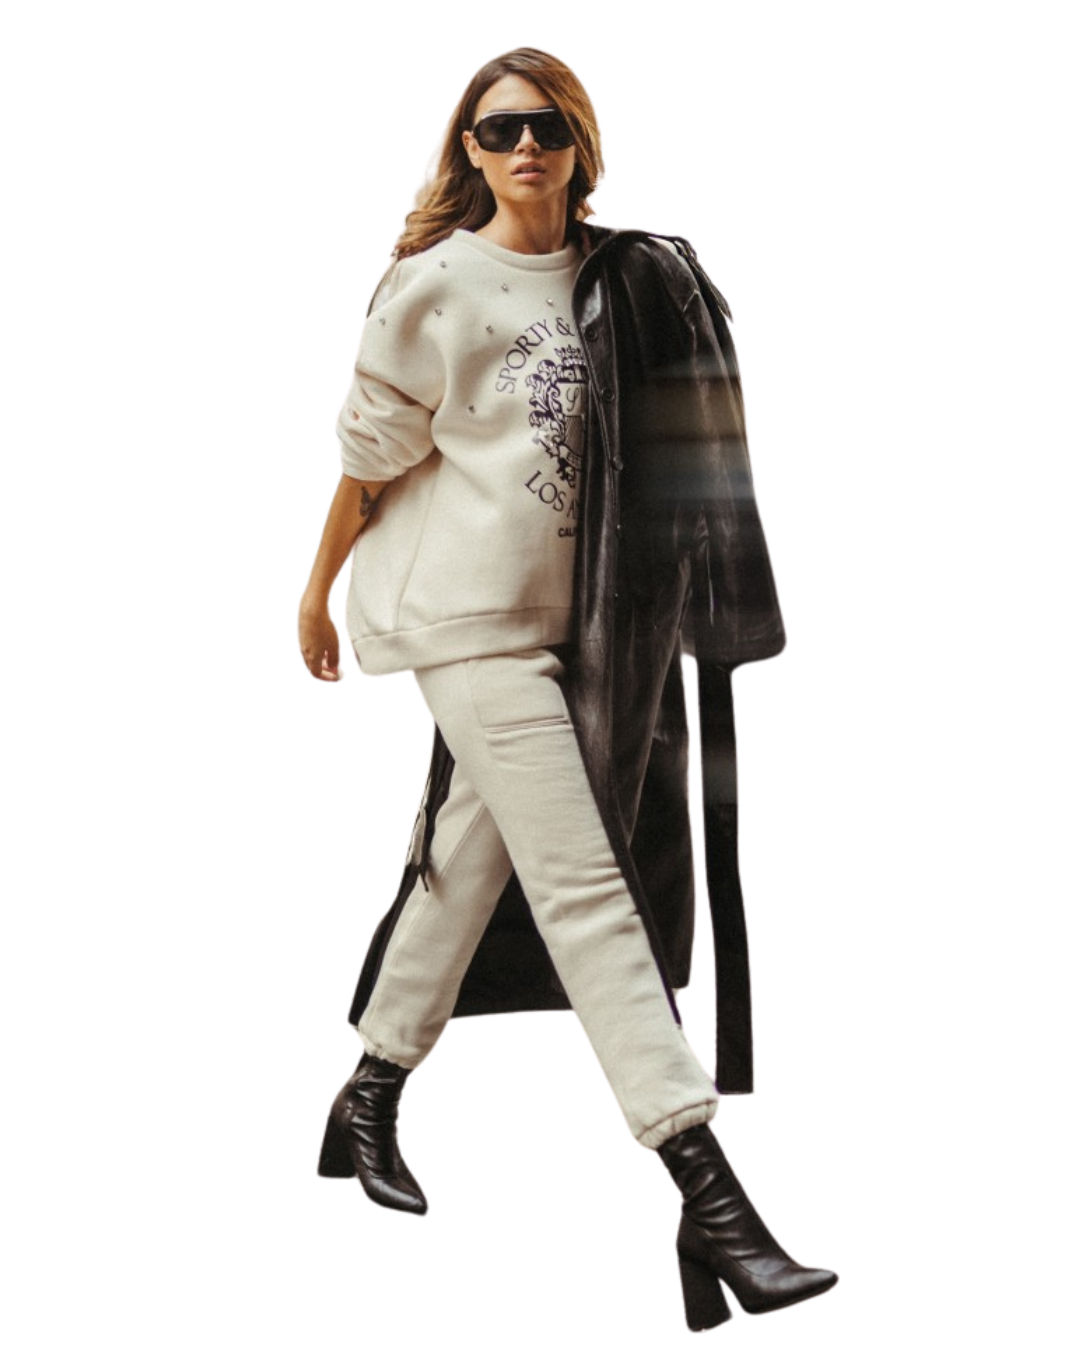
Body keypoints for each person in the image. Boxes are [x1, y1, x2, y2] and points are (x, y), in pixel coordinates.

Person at [299, 46, 839, 1332]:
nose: (525, 148)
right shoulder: (435, 285)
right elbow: (370, 460)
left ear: (583, 142)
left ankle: (367, 1094)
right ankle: (711, 1201)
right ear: (469, 152)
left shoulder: (634, 277)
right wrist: (315, 591)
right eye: (499, 131)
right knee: (589, 882)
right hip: (460, 616)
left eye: (547, 126)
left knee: (472, 852)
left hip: (585, 628)